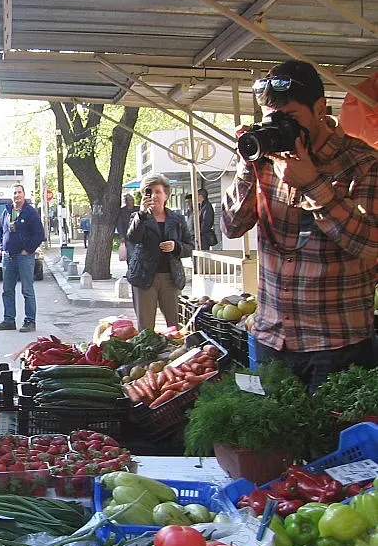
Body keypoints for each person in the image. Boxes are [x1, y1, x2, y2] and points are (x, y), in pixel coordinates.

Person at [222, 60, 378, 392]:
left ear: (320, 108)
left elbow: (370, 245)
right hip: (272, 339)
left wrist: (314, 186)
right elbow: (232, 227)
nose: (280, 129)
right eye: (271, 120)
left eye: (290, 119)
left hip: (336, 344)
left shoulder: (362, 163)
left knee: (330, 442)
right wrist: (249, 164)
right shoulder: (267, 161)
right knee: (271, 441)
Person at [126, 174, 194, 330]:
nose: (154, 196)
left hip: (170, 278)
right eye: (149, 192)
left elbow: (189, 246)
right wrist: (142, 214)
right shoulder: (137, 217)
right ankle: (148, 354)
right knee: (146, 327)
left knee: (175, 327)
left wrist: (176, 246)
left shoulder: (177, 219)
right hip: (144, 277)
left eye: (158, 191)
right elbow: (133, 237)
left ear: (166, 195)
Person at [0, 183, 45, 333]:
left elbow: (39, 234)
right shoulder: (6, 211)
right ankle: (9, 320)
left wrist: (28, 250)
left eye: (19, 192)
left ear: (24, 194)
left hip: (24, 257)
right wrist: (2, 248)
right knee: (7, 290)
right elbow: (1, 231)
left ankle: (30, 321)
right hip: (8, 257)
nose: (17, 195)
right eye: (14, 193)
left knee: (27, 290)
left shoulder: (30, 212)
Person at [115, 193, 139, 261]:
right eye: (130, 200)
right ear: (126, 202)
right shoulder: (122, 211)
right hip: (128, 236)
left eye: (132, 200)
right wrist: (121, 236)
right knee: (131, 255)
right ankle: (131, 269)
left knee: (138, 255)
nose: (132, 202)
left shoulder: (138, 209)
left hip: (138, 236)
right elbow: (119, 224)